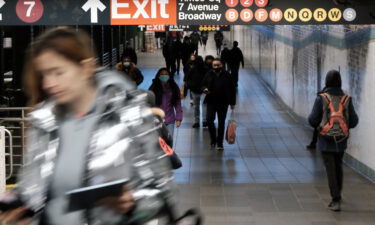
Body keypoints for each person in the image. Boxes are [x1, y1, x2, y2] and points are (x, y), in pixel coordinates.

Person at [0, 28, 174, 225]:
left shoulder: (127, 114)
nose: (49, 83)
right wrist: (18, 207)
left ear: (84, 69)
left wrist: (133, 203)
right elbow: (32, 187)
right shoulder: (44, 122)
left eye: (58, 72)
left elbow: (161, 188)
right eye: (44, 75)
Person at [308, 70, 358, 212]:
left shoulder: (322, 98)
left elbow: (312, 120)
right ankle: (338, 195)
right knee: (338, 166)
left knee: (330, 169)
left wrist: (320, 125)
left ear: (327, 81)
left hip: (325, 139)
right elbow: (354, 121)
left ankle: (335, 199)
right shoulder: (346, 99)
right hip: (341, 140)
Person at [202, 58, 236, 150]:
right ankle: (213, 139)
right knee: (209, 120)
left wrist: (232, 102)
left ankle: (220, 143)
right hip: (211, 101)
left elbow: (232, 89)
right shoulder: (209, 74)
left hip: (223, 102)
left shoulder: (227, 75)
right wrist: (205, 89)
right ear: (212, 66)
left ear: (222, 65)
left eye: (218, 65)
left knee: (221, 122)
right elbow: (203, 84)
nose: (216, 67)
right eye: (214, 65)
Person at [149, 68, 183, 137]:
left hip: (170, 120)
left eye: (166, 74)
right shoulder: (153, 88)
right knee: (158, 144)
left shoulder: (174, 88)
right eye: (162, 74)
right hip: (157, 121)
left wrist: (178, 118)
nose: (164, 76)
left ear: (169, 76)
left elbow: (178, 104)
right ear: (158, 76)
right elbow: (149, 104)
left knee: (168, 142)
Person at [184, 55, 207, 128]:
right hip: (202, 91)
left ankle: (198, 121)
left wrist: (190, 86)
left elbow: (186, 79)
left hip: (196, 91)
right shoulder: (205, 69)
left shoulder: (193, 69)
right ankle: (204, 121)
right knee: (203, 106)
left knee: (196, 107)